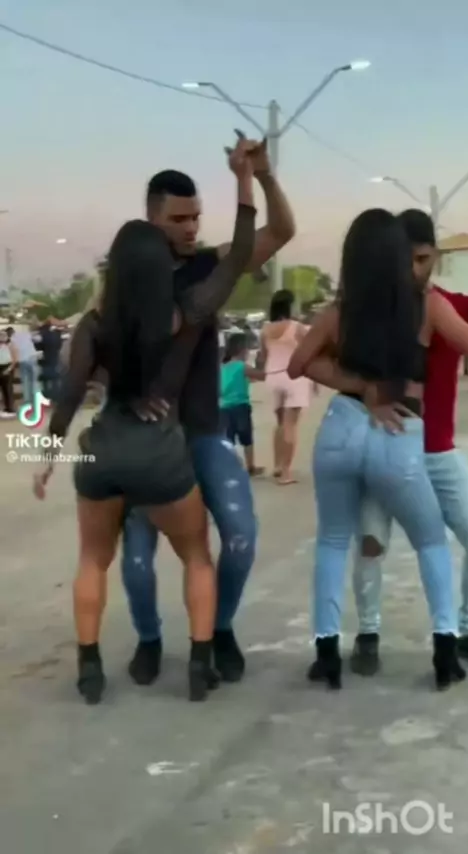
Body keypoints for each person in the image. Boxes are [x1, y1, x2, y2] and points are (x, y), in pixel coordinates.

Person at [33, 141, 257, 706]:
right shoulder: (186, 314)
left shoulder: (93, 324)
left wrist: (46, 457)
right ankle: (200, 664)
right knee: (196, 555)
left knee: (93, 559)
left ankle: (89, 669)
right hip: (161, 453)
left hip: (103, 451)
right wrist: (245, 182)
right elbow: (239, 255)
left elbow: (69, 393)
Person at [121, 133, 295, 688]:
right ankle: (149, 638)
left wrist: (261, 175)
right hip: (147, 442)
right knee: (138, 559)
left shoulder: (207, 267)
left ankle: (218, 628)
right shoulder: (126, 280)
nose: (191, 227)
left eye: (196, 216)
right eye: (179, 219)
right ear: (152, 220)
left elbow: (280, 232)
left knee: (241, 537)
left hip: (203, 432)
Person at [288, 207, 468, 692]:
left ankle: (327, 651)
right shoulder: (426, 306)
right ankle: (443, 649)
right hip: (400, 435)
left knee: (335, 542)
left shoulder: (342, 311)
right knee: (428, 542)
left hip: (344, 429)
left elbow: (298, 364)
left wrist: (361, 387)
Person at [260, 289, 311, 484]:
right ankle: (286, 473)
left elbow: (264, 356)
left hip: (273, 377)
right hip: (293, 378)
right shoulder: (297, 328)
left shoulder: (265, 330)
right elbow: (308, 353)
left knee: (280, 423)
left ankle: (277, 465)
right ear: (289, 306)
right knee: (291, 425)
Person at [220, 332, 265, 475]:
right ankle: (251, 466)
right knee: (246, 437)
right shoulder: (242, 367)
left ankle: (229, 466)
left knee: (228, 438)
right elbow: (262, 376)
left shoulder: (222, 367)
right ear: (242, 350)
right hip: (240, 406)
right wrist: (261, 363)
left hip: (223, 408)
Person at [10, 321, 38, 405]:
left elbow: (13, 351)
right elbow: (37, 338)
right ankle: (35, 399)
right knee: (33, 380)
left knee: (25, 381)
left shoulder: (12, 339)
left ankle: (27, 400)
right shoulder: (25, 334)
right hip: (32, 358)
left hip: (22, 360)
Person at [37, 318, 63, 401]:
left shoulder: (42, 335)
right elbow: (59, 345)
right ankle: (56, 394)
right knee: (55, 377)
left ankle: (46, 394)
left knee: (45, 378)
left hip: (45, 358)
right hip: (55, 357)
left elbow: (39, 346)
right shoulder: (56, 335)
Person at [0, 329, 17, 418]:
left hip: (8, 366)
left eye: (3, 335)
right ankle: (6, 408)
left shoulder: (11, 345)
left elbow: (15, 358)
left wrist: (9, 369)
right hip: (0, 366)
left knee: (8, 389)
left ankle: (10, 408)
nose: (2, 337)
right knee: (3, 389)